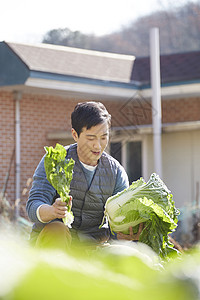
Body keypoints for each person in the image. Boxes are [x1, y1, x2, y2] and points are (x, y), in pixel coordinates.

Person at [26, 101, 142, 251]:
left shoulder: (116, 172)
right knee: (56, 229)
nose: (98, 146)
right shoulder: (55, 160)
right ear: (75, 134)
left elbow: (116, 227)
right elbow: (33, 204)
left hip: (93, 247)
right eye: (91, 138)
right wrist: (52, 211)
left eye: (103, 137)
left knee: (130, 253)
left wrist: (123, 235)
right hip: (53, 242)